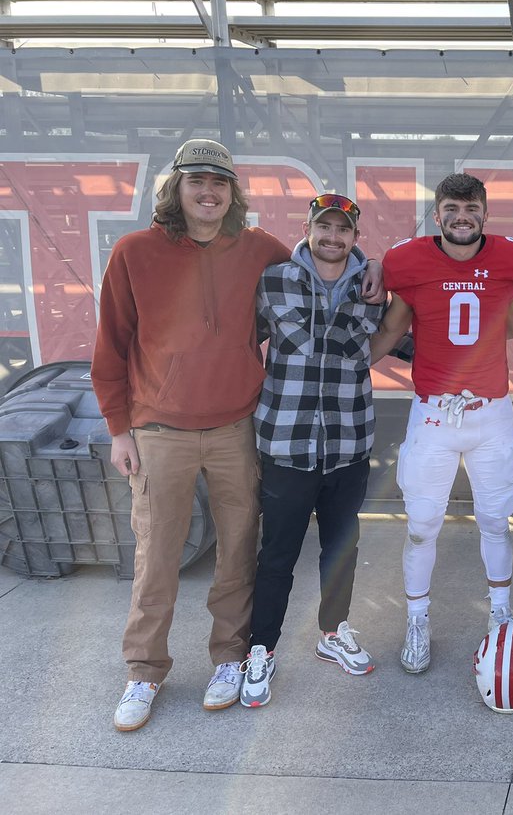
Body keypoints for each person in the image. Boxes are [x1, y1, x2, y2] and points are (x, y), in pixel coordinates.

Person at [93, 139, 382, 732]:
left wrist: (379, 266)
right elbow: (111, 347)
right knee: (156, 559)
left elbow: (327, 258)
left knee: (237, 557)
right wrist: (119, 430)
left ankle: (229, 659)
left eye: (219, 183)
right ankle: (144, 671)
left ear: (233, 194)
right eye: (196, 181)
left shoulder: (261, 251)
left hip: (236, 428)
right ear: (175, 189)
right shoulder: (134, 252)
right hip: (159, 430)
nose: (208, 192)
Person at [375, 172, 513, 675]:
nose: (461, 216)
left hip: (490, 414)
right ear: (438, 214)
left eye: (470, 207)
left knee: (496, 522)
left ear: (484, 213)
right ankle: (416, 619)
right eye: (452, 208)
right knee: (421, 526)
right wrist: (342, 372)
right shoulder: (407, 260)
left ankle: (500, 616)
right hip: (433, 414)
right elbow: (391, 327)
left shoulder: (511, 258)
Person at [238, 193, 384, 709]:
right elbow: (247, 340)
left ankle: (333, 632)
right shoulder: (273, 279)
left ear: (355, 237)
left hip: (348, 441)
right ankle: (261, 649)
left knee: (341, 549)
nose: (333, 237)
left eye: (343, 229)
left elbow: (355, 346)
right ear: (309, 228)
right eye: (324, 226)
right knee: (277, 555)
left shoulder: (374, 287)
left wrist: (380, 276)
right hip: (287, 439)